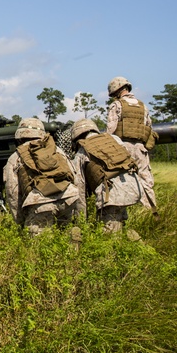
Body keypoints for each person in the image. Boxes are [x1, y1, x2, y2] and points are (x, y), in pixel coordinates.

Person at [4, 118, 84, 237]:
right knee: (64, 236)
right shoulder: (57, 150)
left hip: (40, 203)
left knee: (39, 245)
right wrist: (79, 213)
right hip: (68, 197)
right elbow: (74, 176)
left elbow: (13, 193)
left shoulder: (15, 158)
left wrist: (19, 222)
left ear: (20, 136)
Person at [70, 118, 145, 237]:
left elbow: (80, 191)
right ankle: (133, 244)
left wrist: (81, 222)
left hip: (111, 194)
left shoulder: (81, 153)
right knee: (120, 225)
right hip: (134, 187)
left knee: (109, 238)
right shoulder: (114, 139)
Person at [106, 76, 159, 216]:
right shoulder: (143, 106)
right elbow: (148, 128)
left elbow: (110, 131)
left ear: (117, 90)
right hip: (141, 150)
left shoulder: (117, 105)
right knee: (146, 182)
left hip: (123, 149)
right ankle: (151, 214)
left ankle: (122, 216)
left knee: (122, 181)